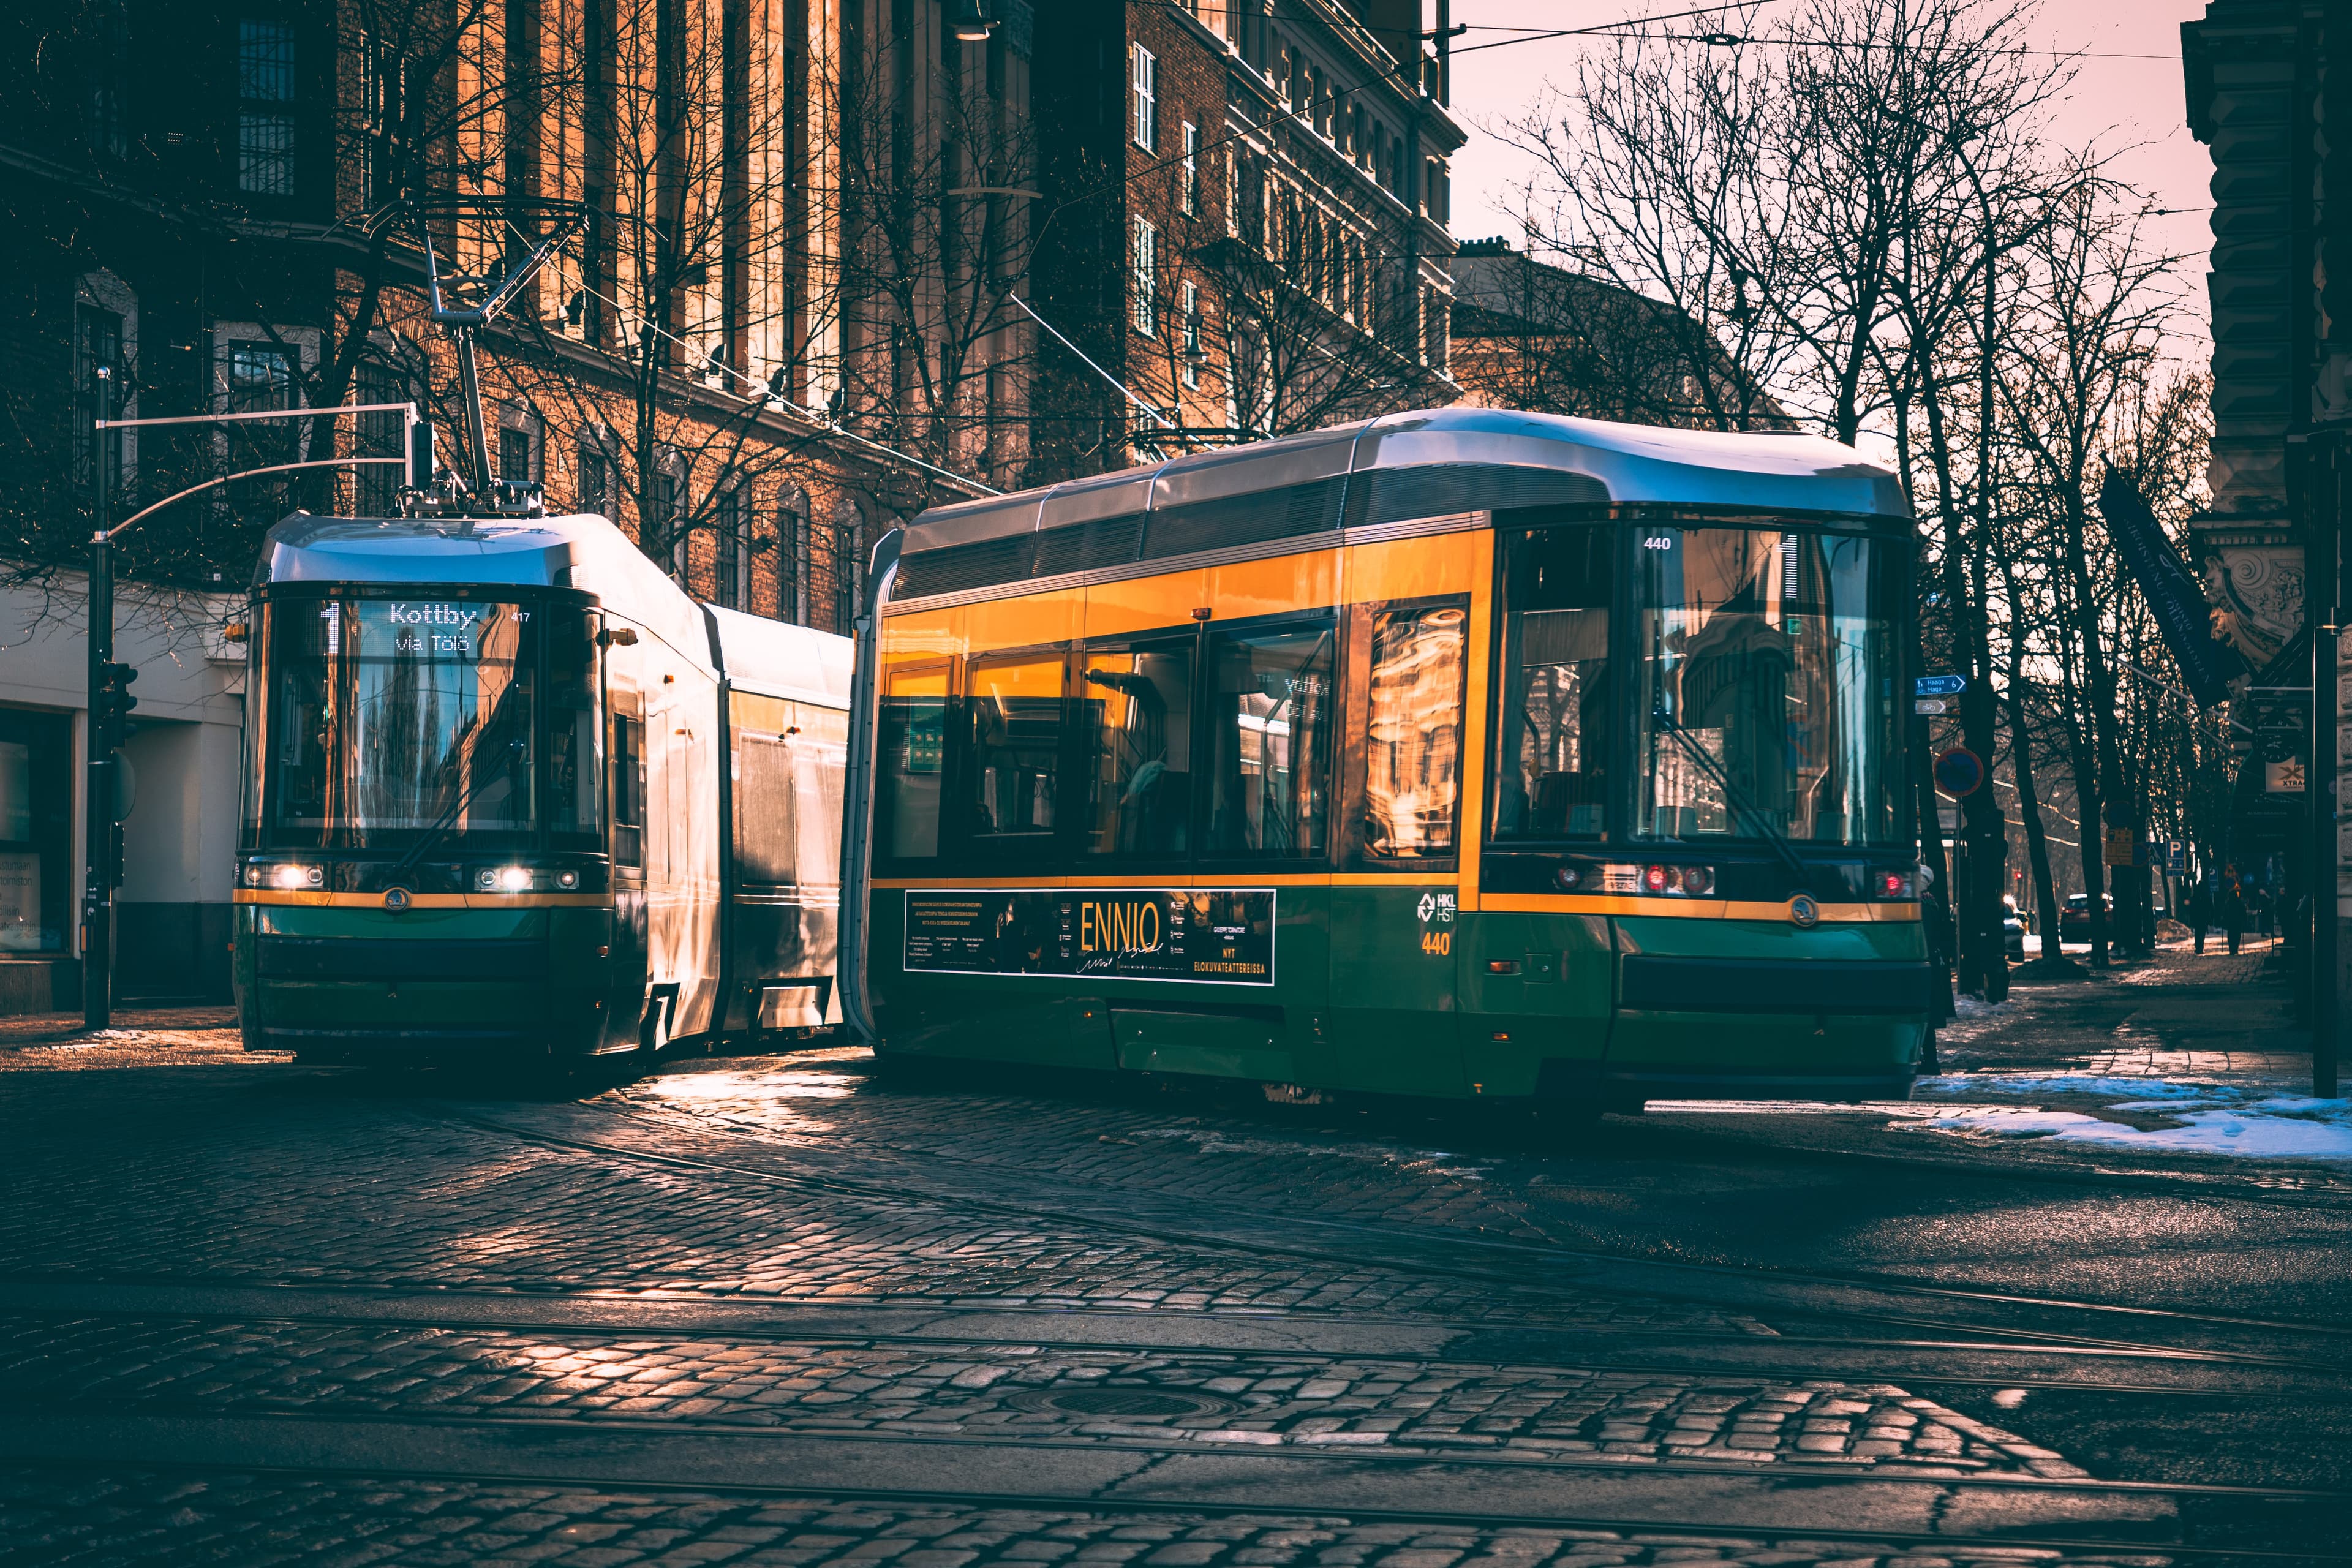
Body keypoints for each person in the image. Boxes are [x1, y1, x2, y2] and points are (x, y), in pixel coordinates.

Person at [2219, 865, 2248, 956]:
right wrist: (2244, 920)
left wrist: (2224, 919)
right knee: (2237, 935)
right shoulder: (2239, 903)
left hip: (2231, 922)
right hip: (2238, 922)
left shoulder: (2228, 903)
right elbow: (2243, 912)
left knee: (2231, 935)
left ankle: (2232, 949)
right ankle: (2235, 949)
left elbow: (2225, 912)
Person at [2188, 873, 2214, 955]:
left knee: (2198, 933)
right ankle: (2200, 947)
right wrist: (2210, 919)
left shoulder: (2195, 897)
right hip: (2204, 918)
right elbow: (2211, 909)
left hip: (2197, 918)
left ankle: (2198, 947)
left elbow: (2191, 908)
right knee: (2202, 933)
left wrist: (2191, 918)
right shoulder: (2207, 897)